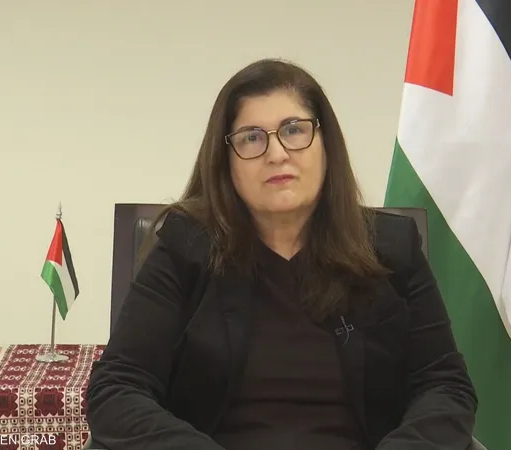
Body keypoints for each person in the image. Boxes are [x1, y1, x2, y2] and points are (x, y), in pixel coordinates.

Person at [85, 58, 478, 450]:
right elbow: (117, 388)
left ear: (326, 144)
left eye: (293, 130)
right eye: (251, 138)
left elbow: (444, 385)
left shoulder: (390, 248)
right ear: (226, 161)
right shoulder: (185, 247)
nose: (276, 154)